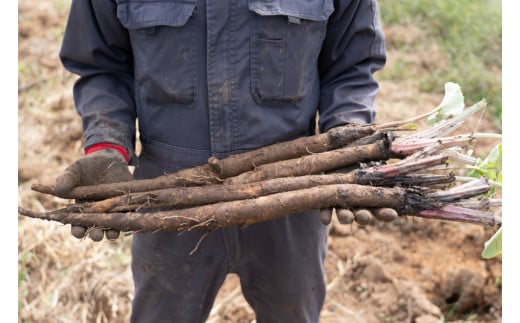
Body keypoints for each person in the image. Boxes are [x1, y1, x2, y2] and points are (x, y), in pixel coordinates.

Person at [54, 0, 387, 322]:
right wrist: (106, 144)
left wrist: (347, 141)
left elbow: (351, 66)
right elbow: (103, 65)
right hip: (169, 197)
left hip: (290, 196)